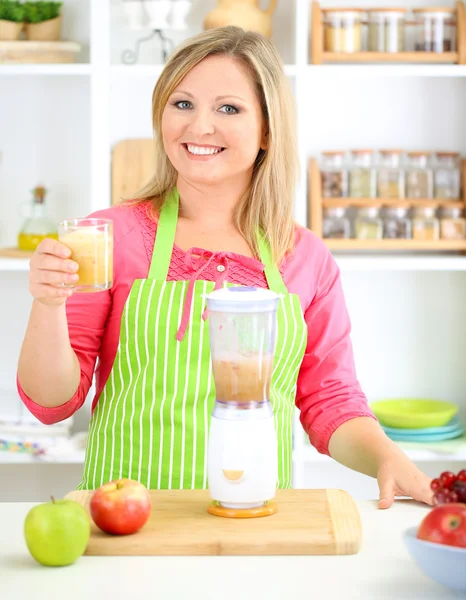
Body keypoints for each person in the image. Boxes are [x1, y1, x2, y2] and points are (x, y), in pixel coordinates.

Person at [17, 26, 432, 508]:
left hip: (252, 525)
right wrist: (47, 304)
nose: (199, 127)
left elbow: (331, 403)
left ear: (267, 131)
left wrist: (387, 459)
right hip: (124, 527)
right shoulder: (106, 238)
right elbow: (51, 404)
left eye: (228, 108)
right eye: (182, 104)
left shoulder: (305, 257)